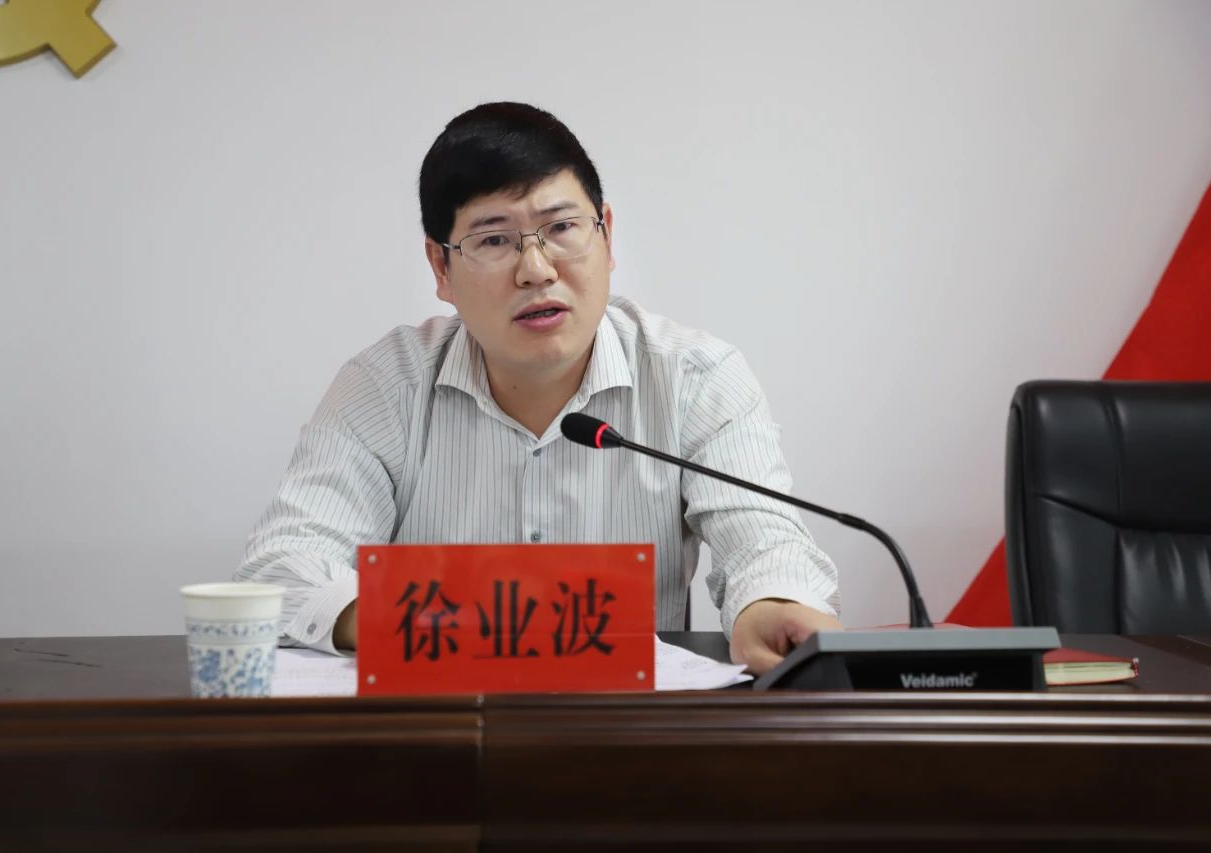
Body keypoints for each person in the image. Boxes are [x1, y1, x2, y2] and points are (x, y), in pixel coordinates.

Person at [235, 102, 841, 675]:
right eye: (493, 240)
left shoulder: (695, 378)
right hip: (444, 731)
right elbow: (280, 569)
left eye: (562, 227)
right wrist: (447, 625)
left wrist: (769, 603)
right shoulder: (386, 385)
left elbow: (765, 544)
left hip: (628, 734)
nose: (536, 269)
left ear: (606, 236)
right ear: (441, 268)